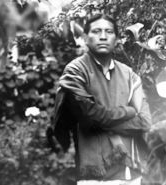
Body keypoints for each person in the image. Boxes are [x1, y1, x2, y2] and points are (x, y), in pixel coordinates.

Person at [52, 13, 152, 185]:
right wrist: (129, 111)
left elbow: (144, 121)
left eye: (109, 32)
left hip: (130, 171)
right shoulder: (75, 71)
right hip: (94, 173)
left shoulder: (129, 75)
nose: (103, 36)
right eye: (96, 31)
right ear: (85, 37)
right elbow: (89, 116)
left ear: (117, 38)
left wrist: (104, 121)